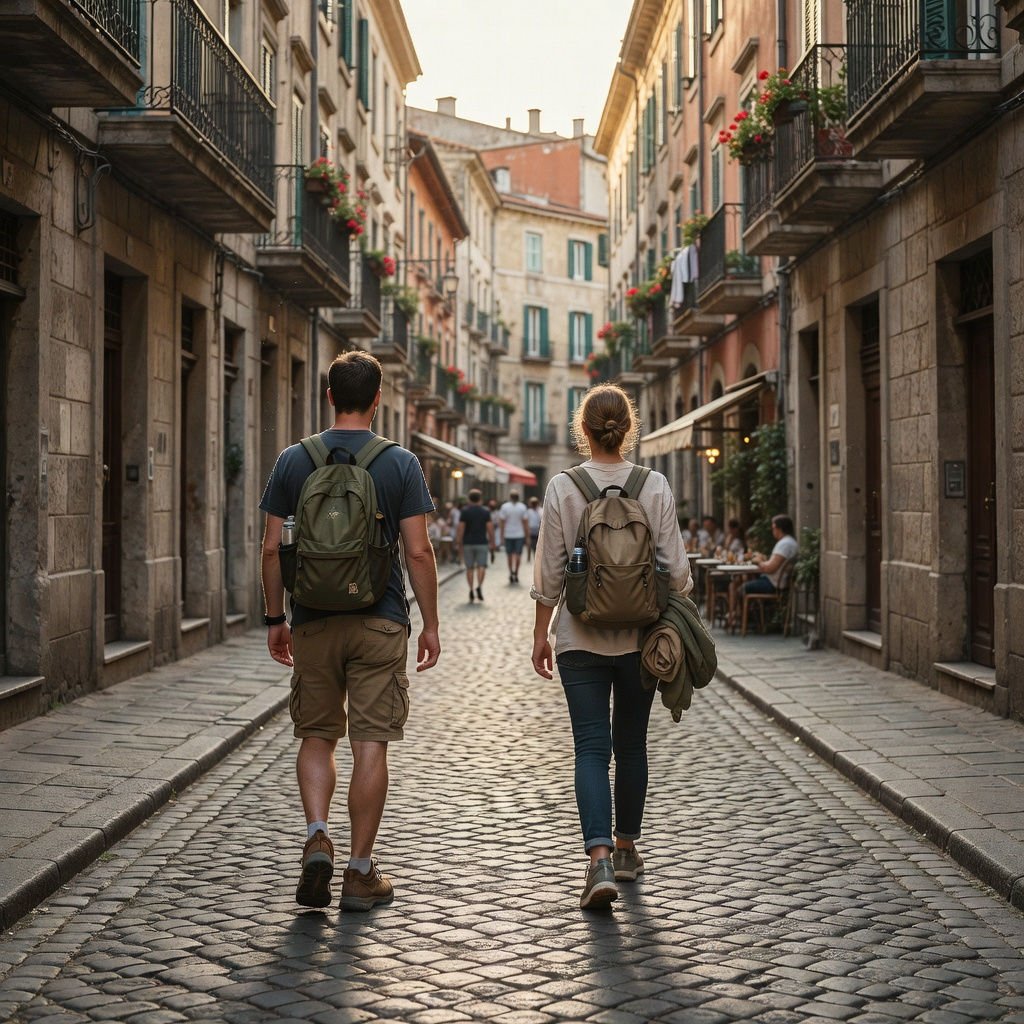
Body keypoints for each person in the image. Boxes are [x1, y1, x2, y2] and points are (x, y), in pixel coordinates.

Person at [259, 350, 441, 913]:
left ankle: (317, 833)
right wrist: (431, 623)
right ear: (379, 399)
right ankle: (360, 873)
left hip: (312, 618)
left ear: (329, 396)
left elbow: (270, 548)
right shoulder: (400, 463)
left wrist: (275, 619)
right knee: (370, 744)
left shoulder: (294, 460)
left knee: (316, 736)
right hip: (380, 620)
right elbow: (417, 549)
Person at [530, 383, 692, 910]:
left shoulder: (563, 487)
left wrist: (540, 634)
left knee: (591, 748)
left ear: (584, 429)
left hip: (579, 638)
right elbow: (681, 575)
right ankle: (626, 849)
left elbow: (549, 571)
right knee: (632, 744)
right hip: (642, 641)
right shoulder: (656, 485)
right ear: (629, 428)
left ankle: (596, 858)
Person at [456, 488, 495, 602]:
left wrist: (459, 542)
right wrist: (492, 541)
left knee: (469, 568)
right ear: (480, 499)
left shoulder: (465, 511)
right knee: (481, 566)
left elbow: (461, 528)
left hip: (468, 543)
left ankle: (471, 589)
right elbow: (490, 528)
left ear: (469, 498)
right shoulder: (485, 511)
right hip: (482, 543)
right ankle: (479, 587)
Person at [499, 489, 529, 583]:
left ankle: (510, 572)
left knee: (509, 555)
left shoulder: (504, 507)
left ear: (510, 497)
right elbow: (525, 523)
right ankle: (516, 572)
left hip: (508, 534)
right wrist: (527, 536)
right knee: (518, 555)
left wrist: (501, 535)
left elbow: (502, 523)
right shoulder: (522, 507)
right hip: (519, 534)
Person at [525, 496, 543, 562]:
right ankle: (529, 557)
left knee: (537, 545)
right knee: (529, 544)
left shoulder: (541, 510)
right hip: (530, 530)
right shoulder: (528, 511)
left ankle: (536, 557)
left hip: (538, 530)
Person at [488, 498, 502, 564]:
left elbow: (498, 522)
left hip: (495, 529)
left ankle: (492, 553)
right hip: (487, 530)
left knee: (493, 542)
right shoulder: (487, 512)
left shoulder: (497, 513)